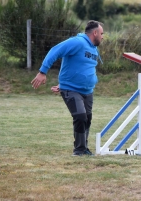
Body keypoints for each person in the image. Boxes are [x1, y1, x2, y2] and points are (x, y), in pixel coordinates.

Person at [31, 20, 104, 156]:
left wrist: (63, 83)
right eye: (101, 33)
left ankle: (84, 148)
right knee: (80, 116)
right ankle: (79, 150)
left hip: (88, 90)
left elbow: (82, 67)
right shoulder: (77, 42)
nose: (102, 36)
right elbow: (55, 51)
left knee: (87, 118)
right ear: (95, 33)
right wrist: (42, 72)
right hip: (71, 89)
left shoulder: (94, 49)